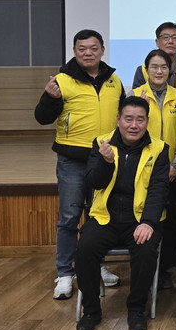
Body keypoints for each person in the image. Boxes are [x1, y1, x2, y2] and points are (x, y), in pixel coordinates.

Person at [35, 29, 124, 299]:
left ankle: (96, 266)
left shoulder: (114, 80)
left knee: (99, 217)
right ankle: (64, 273)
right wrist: (50, 98)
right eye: (82, 48)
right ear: (74, 51)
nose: (88, 53)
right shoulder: (62, 81)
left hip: (104, 159)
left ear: (102, 50)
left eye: (93, 48)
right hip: (72, 161)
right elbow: (42, 118)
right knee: (69, 217)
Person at [75, 96, 170, 330]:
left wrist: (148, 222)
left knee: (146, 250)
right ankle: (91, 312)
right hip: (105, 218)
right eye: (128, 119)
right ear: (118, 119)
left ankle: (136, 309)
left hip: (139, 219)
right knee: (85, 249)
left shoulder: (159, 148)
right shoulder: (102, 143)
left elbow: (159, 190)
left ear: (147, 121)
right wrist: (106, 162)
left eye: (140, 120)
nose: (134, 125)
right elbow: (93, 182)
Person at [131, 49, 176, 290]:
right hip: (143, 169)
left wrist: (175, 164)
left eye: (164, 67)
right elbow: (129, 132)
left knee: (171, 221)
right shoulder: (135, 96)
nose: (159, 71)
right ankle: (146, 271)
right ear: (146, 70)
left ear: (170, 71)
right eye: (154, 67)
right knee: (147, 217)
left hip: (172, 168)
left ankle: (164, 270)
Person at [132, 22, 176, 94]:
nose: (170, 41)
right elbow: (136, 96)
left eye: (174, 38)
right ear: (157, 42)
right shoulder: (143, 70)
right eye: (166, 37)